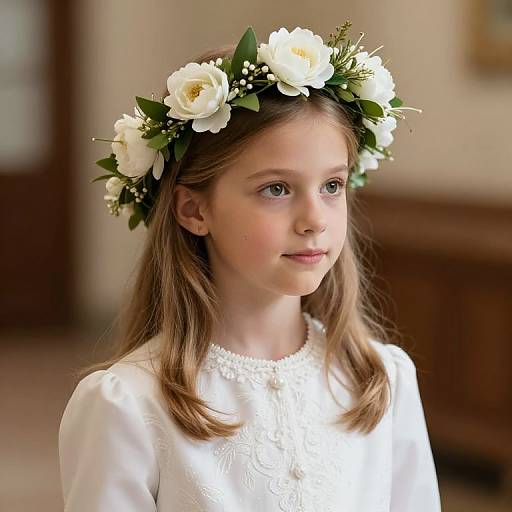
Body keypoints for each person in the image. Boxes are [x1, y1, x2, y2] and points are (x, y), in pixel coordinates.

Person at [59, 22, 441, 511]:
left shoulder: (382, 380)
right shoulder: (128, 405)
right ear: (194, 211)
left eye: (331, 186)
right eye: (276, 189)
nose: (314, 221)